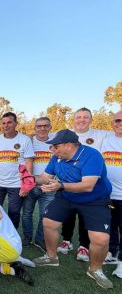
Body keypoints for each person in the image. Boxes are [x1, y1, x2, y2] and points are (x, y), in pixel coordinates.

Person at [33, 129, 113, 289]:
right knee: (48, 222)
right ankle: (51, 257)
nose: (52, 149)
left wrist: (61, 186)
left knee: (101, 239)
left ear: (69, 145)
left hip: (94, 199)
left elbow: (88, 185)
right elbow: (45, 178)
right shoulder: (57, 157)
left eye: (55, 146)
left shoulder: (92, 155)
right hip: (66, 196)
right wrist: (29, 178)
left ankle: (95, 270)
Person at [58, 107, 109, 261]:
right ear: (73, 120)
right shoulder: (66, 134)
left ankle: (84, 246)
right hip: (69, 182)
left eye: (85, 117)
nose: (82, 120)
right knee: (68, 214)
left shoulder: (102, 134)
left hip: (90, 183)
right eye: (78, 117)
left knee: (84, 215)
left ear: (91, 120)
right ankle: (66, 240)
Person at [0, 112, 34, 229]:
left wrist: (26, 185)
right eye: (3, 123)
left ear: (16, 123)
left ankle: (12, 235)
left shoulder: (25, 140)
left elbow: (29, 163)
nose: (6, 125)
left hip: (16, 184)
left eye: (9, 122)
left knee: (14, 213)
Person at [21, 117, 55, 250]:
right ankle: (27, 237)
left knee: (45, 215)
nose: (42, 128)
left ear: (50, 127)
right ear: (34, 128)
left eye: (46, 126)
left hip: (49, 185)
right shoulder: (28, 141)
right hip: (31, 184)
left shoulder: (56, 142)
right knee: (26, 213)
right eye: (39, 126)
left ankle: (39, 239)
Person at [101, 111, 122, 274]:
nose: (120, 123)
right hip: (108, 193)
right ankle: (112, 252)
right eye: (117, 120)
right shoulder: (105, 138)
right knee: (111, 225)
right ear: (112, 123)